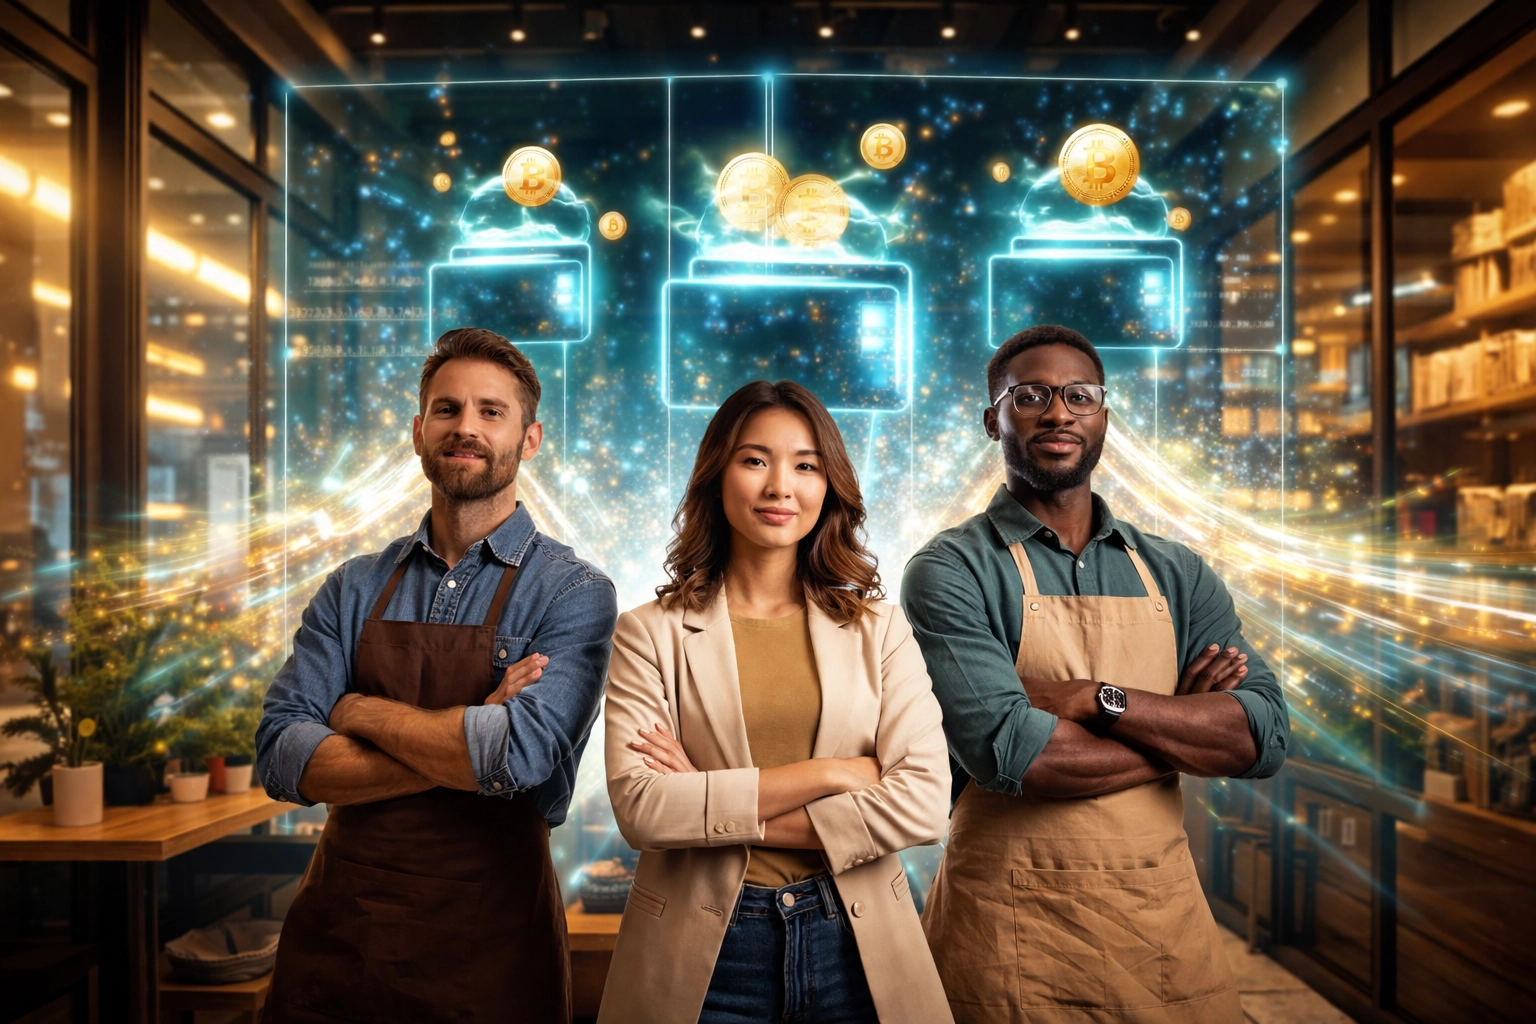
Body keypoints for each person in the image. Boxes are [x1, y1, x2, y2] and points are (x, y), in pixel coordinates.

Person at [905, 325, 1290, 1023]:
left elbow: (1259, 739)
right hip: (1010, 934)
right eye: (1030, 396)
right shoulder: (951, 569)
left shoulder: (1177, 570)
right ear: (994, 419)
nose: (1058, 412)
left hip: (1162, 925)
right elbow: (1013, 755)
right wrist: (1178, 722)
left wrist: (1092, 699)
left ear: (1104, 417)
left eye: (1080, 396)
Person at [256, 327, 617, 1024]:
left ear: (530, 438)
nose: (466, 428)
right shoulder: (352, 587)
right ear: (420, 432)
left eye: (491, 411)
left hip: (492, 953)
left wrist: (358, 712)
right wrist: (468, 734)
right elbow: (281, 756)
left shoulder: (572, 592)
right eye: (447, 410)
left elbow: (518, 755)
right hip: (340, 944)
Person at [599, 380, 954, 1024]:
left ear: (829, 484)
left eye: (806, 465)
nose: (780, 487)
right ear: (718, 474)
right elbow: (644, 808)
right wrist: (836, 774)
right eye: (755, 459)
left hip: (856, 943)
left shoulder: (880, 628)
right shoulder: (648, 630)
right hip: (705, 951)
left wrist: (708, 797)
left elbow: (926, 804)